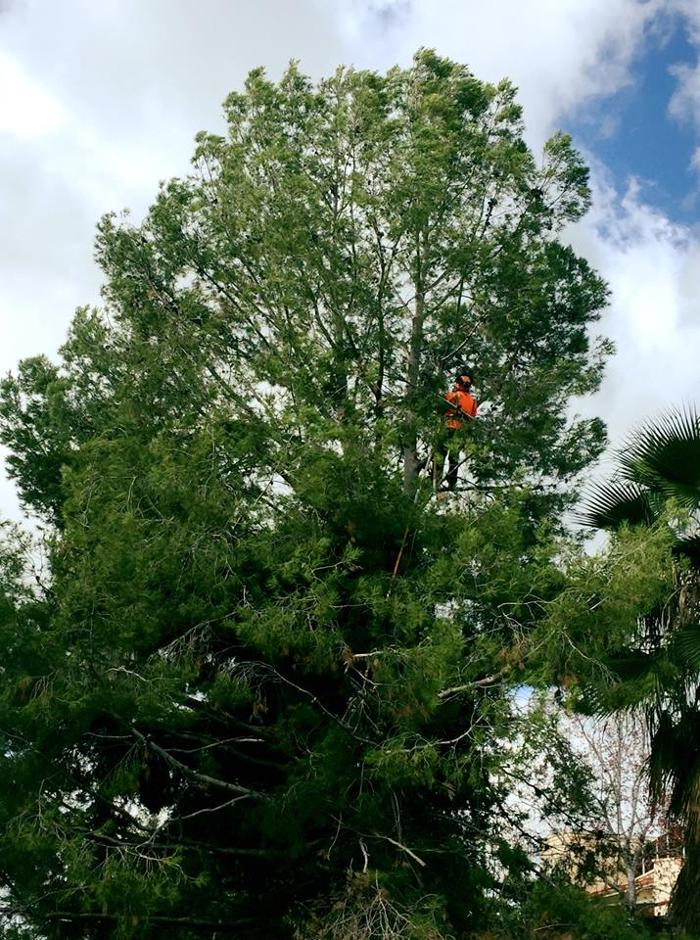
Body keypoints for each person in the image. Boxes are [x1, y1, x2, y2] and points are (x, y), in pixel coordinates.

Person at [435, 368, 478, 491]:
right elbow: (473, 417)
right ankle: (452, 482)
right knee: (454, 457)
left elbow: (440, 409)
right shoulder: (473, 401)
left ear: (458, 384)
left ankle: (436, 479)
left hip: (448, 426)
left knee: (440, 454)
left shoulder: (452, 395)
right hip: (461, 431)